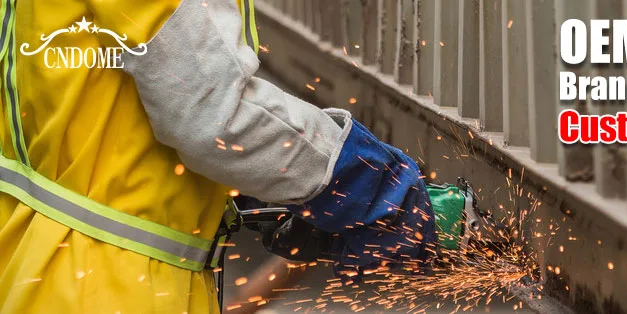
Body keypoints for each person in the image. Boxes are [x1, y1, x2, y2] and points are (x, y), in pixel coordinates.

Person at [0, 0, 436, 313]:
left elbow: (93, 104)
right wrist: (368, 186)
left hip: (36, 262)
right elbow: (217, 114)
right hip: (114, 283)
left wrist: (246, 187)